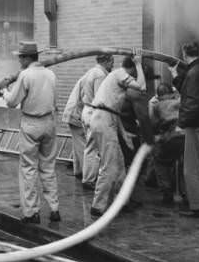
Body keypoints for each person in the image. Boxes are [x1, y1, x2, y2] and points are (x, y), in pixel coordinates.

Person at [0, 41, 60, 224]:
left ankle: (31, 212)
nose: (19, 61)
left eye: (20, 57)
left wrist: (3, 89)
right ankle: (55, 208)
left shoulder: (25, 75)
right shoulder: (51, 74)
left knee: (28, 168)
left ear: (27, 58)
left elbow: (11, 102)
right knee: (48, 167)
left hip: (31, 122)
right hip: (49, 122)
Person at [87, 53, 145, 217]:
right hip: (103, 122)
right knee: (109, 167)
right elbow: (142, 87)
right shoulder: (120, 73)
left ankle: (121, 202)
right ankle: (97, 207)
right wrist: (139, 64)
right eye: (135, 72)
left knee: (119, 165)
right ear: (131, 69)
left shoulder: (115, 80)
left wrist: (124, 134)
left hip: (107, 120)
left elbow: (114, 112)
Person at [169, 40, 199, 218]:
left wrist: (181, 123)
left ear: (184, 53)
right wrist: (175, 75)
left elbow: (192, 102)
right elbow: (189, 91)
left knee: (191, 168)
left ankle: (197, 207)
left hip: (195, 126)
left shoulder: (194, 74)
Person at [79, 54, 114, 189]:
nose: (112, 65)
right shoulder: (100, 75)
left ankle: (88, 178)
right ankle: (89, 179)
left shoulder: (91, 71)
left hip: (87, 110)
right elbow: (101, 98)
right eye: (112, 62)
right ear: (107, 61)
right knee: (93, 148)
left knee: (90, 147)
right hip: (94, 112)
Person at [148, 82, 184, 204]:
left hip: (170, 137)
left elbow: (153, 125)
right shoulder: (180, 102)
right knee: (184, 163)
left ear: (158, 95)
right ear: (171, 93)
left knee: (160, 161)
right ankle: (185, 192)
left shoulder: (157, 106)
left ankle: (167, 191)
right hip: (186, 137)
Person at [61, 77, 84, 180]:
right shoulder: (96, 77)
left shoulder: (86, 78)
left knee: (78, 145)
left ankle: (78, 171)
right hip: (76, 115)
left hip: (73, 113)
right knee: (83, 147)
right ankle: (86, 174)